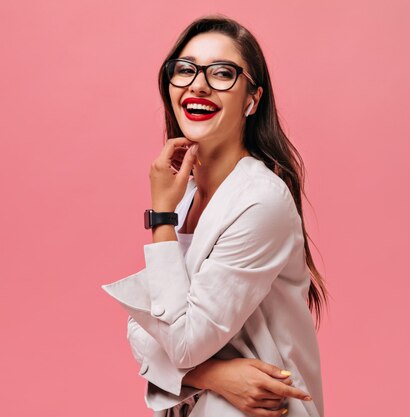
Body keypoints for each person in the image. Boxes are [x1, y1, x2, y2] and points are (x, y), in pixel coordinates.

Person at [101, 14, 328, 417]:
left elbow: (181, 341)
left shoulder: (260, 201)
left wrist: (161, 219)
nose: (198, 83)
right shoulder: (185, 193)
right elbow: (142, 331)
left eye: (222, 73)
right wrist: (215, 375)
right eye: (185, 70)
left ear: (252, 100)